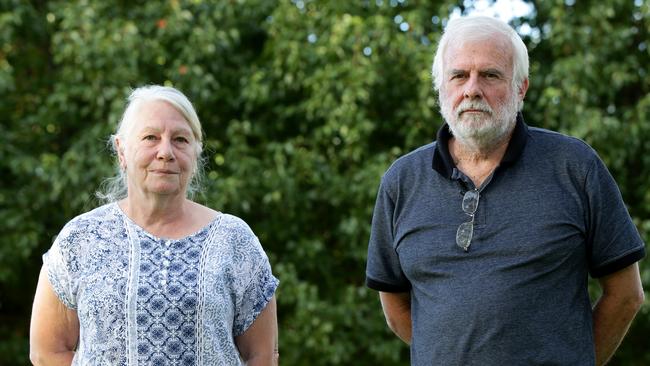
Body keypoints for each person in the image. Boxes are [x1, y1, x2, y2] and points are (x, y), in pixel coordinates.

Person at [365, 15, 645, 366]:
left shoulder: (574, 166)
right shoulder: (401, 182)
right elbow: (395, 307)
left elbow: (626, 296)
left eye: (490, 75)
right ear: (441, 88)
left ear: (521, 87)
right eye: (458, 75)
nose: (472, 89)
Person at [30, 85, 279, 365]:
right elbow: (47, 351)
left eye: (180, 140)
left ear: (195, 154)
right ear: (121, 151)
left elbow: (262, 355)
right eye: (150, 137)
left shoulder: (235, 240)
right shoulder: (81, 238)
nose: (165, 152)